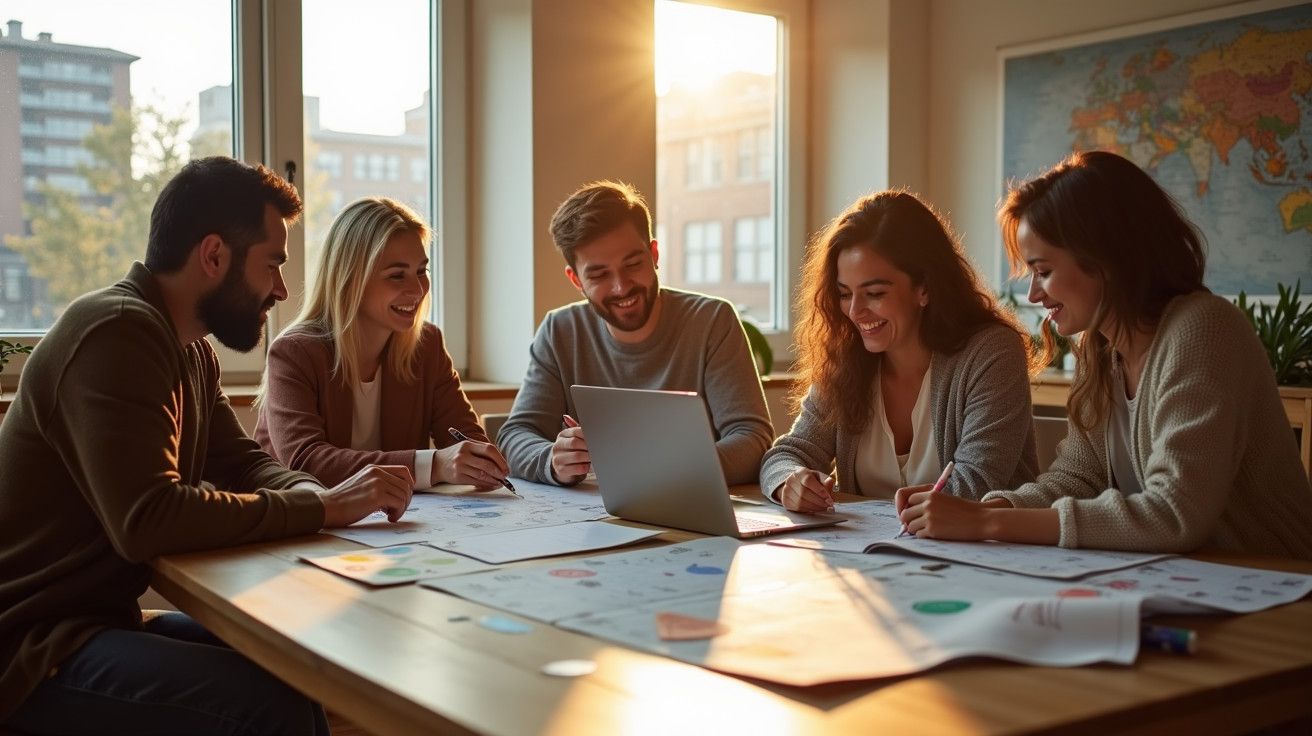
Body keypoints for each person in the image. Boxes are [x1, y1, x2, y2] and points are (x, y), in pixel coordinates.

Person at [0, 157, 414, 735]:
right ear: (214, 255)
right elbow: (150, 518)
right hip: (30, 649)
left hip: (95, 623)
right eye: (272, 263)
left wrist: (318, 492)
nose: (282, 288)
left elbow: (240, 461)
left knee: (295, 669)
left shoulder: (189, 348)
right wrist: (324, 507)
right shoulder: (116, 331)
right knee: (272, 707)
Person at [896, 150, 1312, 558]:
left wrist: (986, 524)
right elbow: (1077, 478)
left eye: (1043, 271)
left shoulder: (1204, 330)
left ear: (1105, 259)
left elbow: (1175, 513)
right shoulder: (1101, 349)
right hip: (1186, 581)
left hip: (1276, 587)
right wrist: (983, 509)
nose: (1034, 294)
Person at [760, 190, 1038, 510]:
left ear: (924, 288)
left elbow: (978, 482)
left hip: (985, 555)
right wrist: (790, 481)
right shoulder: (846, 358)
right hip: (876, 555)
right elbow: (786, 454)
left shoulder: (991, 353)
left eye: (874, 293)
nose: (854, 311)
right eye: (844, 294)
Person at [498, 180, 773, 486]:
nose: (621, 286)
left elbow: (752, 438)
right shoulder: (559, 330)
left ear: (654, 253)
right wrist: (552, 459)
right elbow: (515, 435)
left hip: (690, 506)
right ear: (576, 279)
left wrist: (667, 472)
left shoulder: (710, 321)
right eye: (599, 274)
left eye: (633, 263)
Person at [256, 196, 509, 491]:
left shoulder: (426, 346)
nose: (417, 289)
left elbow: (466, 441)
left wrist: (480, 463)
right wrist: (436, 464)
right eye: (396, 275)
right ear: (351, 279)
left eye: (421, 272)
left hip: (391, 525)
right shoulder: (295, 353)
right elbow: (306, 462)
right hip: (300, 526)